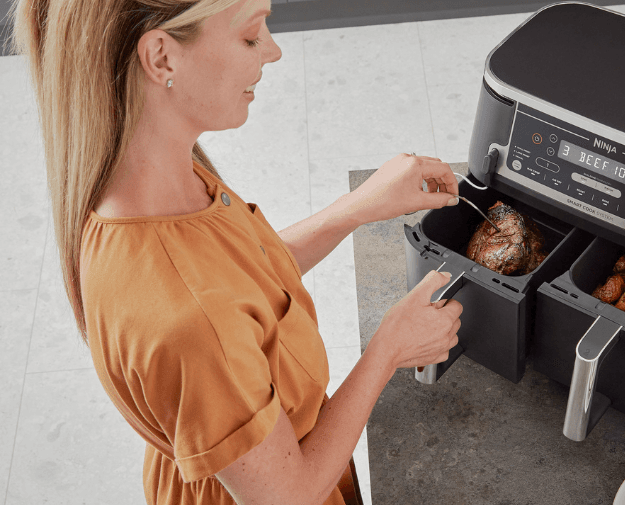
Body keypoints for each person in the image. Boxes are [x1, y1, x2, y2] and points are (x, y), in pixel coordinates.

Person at [11, 0, 463, 503]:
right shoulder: (189, 322)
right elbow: (288, 494)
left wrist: (354, 209)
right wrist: (389, 347)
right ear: (162, 57)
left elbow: (239, 287)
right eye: (250, 36)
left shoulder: (152, 176)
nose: (273, 51)